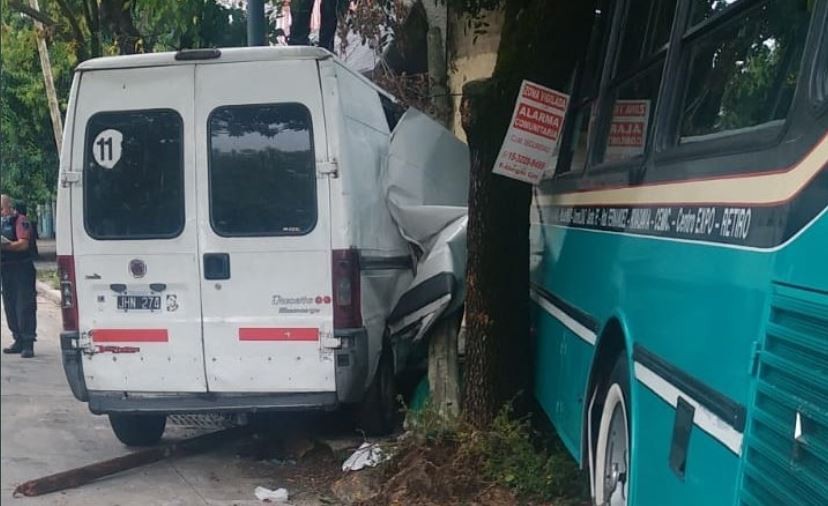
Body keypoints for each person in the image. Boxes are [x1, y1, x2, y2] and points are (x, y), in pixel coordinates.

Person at [1, 194, 37, 358]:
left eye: (2, 208)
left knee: (25, 305)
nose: (1, 212)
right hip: (6, 269)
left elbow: (23, 244)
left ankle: (28, 342)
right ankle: (18, 339)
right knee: (10, 305)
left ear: (9, 206)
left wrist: (6, 246)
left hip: (22, 268)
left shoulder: (20, 220)